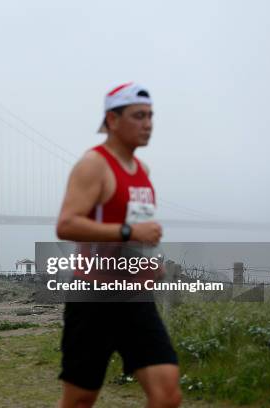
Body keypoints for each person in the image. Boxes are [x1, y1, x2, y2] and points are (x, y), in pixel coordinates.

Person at [55, 83, 181, 408]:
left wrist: (150, 261)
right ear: (112, 120)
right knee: (80, 400)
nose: (148, 123)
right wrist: (129, 232)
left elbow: (137, 234)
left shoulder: (143, 172)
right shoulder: (93, 165)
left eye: (151, 116)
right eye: (138, 116)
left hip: (135, 299)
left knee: (167, 394)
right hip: (93, 299)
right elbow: (66, 224)